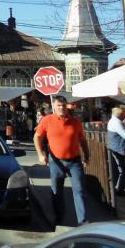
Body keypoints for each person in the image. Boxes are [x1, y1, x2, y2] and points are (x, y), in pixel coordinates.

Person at [34, 95, 91, 226]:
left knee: (79, 189)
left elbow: (82, 140)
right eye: (59, 105)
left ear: (67, 107)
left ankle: (83, 221)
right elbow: (37, 137)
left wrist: (87, 156)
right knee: (56, 191)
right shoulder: (47, 120)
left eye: (64, 105)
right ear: (54, 106)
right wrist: (40, 154)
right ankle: (59, 217)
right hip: (56, 161)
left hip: (74, 161)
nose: (61, 108)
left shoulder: (75, 122)